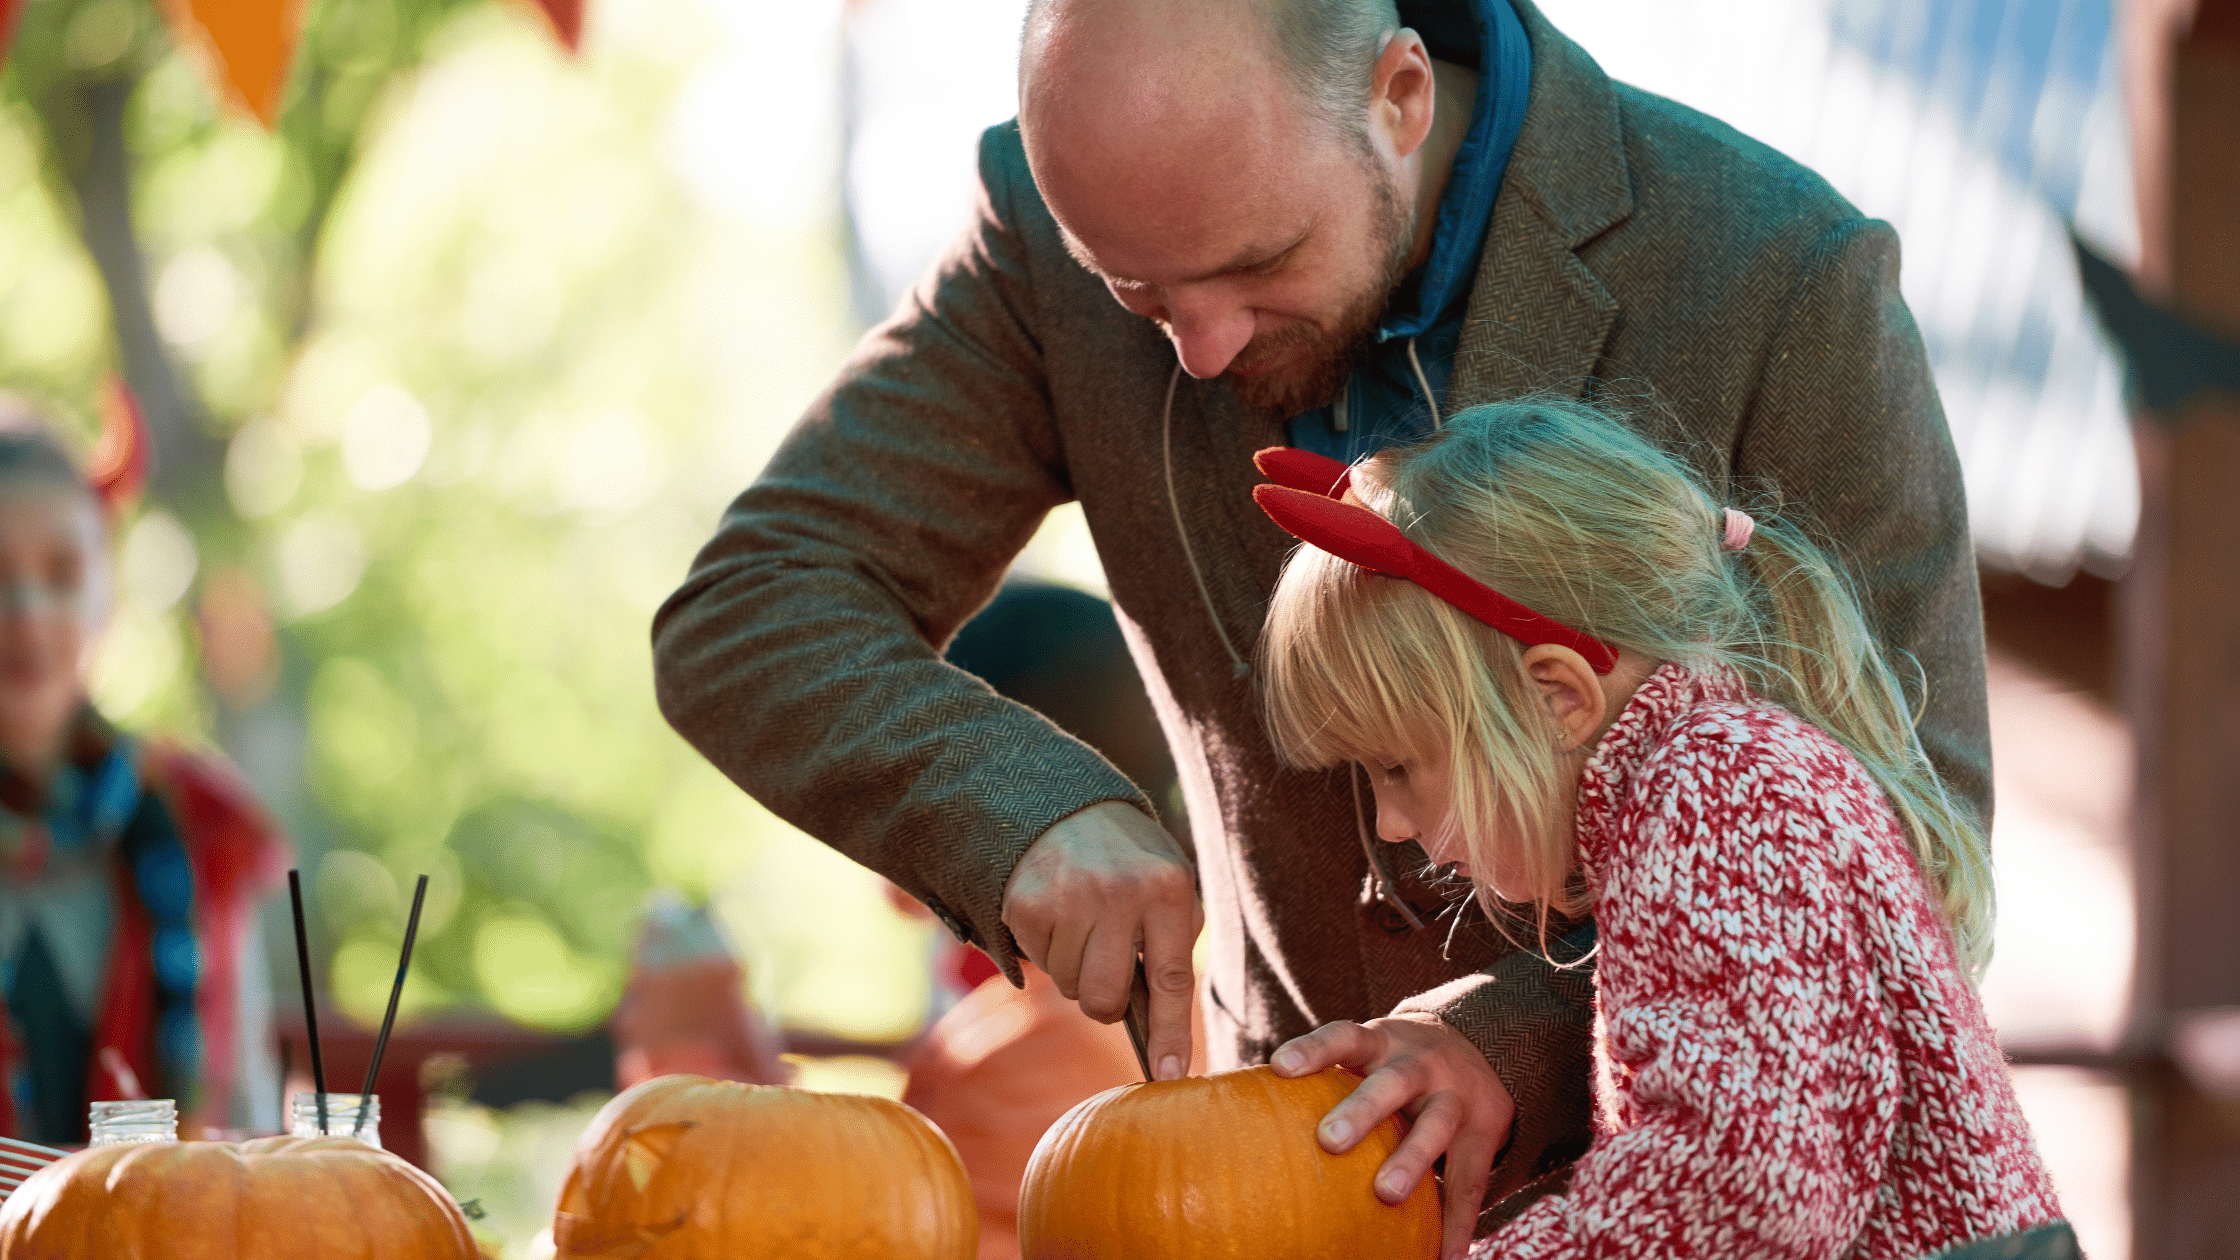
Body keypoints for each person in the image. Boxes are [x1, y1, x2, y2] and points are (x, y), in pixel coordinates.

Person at [653, 0, 1991, 1231]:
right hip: (1239, 1210)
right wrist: (1027, 805)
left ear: (1400, 94)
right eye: (1137, 297)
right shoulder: (1051, 227)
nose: (1201, 352)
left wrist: (1510, 1038)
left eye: (1257, 265)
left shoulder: (1777, 273)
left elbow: (1901, 845)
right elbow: (755, 610)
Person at [1253, 399, 2068, 1258]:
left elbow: (1743, 1194)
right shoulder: (1716, 778)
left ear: (1559, 697)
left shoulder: (1715, 798)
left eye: (1398, 766)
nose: (1390, 822)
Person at [0, 406, 290, 1143]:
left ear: (106, 597)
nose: (27, 615)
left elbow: (249, 1115)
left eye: (61, 576)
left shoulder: (201, 823)